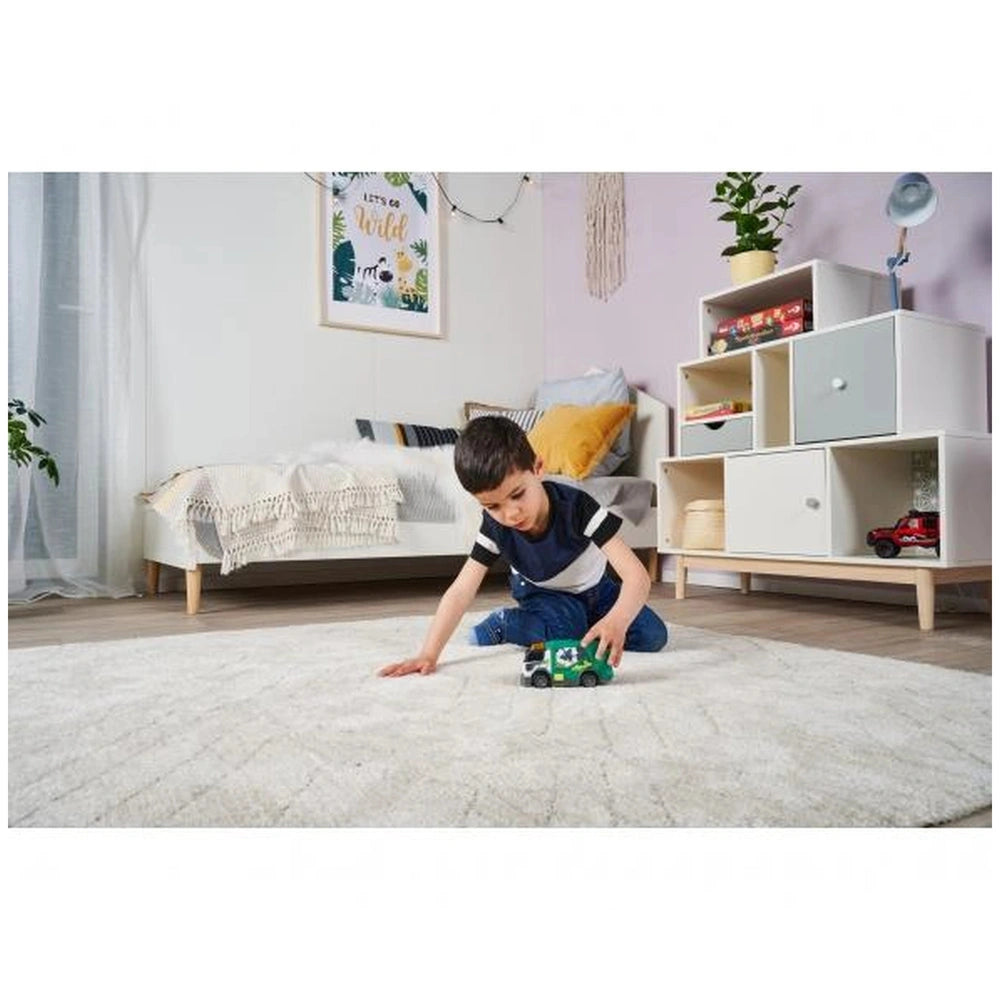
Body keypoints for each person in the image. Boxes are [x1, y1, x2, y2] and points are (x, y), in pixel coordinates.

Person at [379, 415, 668, 678]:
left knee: (653, 636)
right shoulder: (495, 527)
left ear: (537, 468)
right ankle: (505, 624)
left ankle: (587, 621)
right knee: (565, 632)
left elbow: (636, 577)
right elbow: (461, 591)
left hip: (596, 590)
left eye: (518, 494)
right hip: (543, 594)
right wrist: (428, 654)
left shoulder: (578, 507)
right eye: (493, 506)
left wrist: (616, 620)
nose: (511, 514)